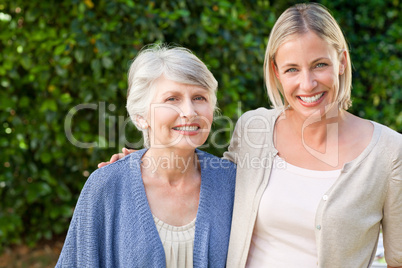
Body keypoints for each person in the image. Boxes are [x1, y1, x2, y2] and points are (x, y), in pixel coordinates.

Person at [98, 3, 402, 268]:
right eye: (292, 69)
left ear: (342, 62)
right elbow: (214, 186)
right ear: (276, 72)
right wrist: (142, 165)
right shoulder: (254, 128)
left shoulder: (389, 152)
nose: (307, 84)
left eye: (320, 65)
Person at [56, 45, 236, 267]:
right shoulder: (106, 187)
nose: (190, 111)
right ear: (141, 117)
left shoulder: (232, 183)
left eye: (199, 97)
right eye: (172, 99)